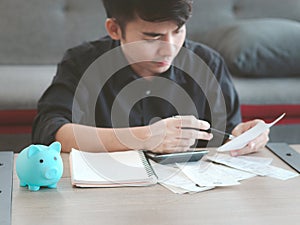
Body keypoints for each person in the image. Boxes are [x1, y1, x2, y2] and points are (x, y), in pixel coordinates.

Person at [32, 0, 269, 156]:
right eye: (152, 36)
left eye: (178, 31)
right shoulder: (81, 62)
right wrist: (143, 137)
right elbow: (50, 132)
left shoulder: (208, 63)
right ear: (114, 29)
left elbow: (226, 132)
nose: (170, 49)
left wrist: (243, 136)